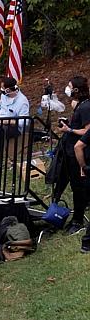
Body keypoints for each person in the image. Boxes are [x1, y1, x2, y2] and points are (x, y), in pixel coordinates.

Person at [51, 77, 90, 235]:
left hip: (79, 154)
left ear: (76, 89)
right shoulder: (80, 105)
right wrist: (69, 125)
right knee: (70, 185)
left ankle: (78, 220)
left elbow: (88, 131)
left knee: (79, 188)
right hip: (69, 153)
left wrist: (70, 130)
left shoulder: (86, 106)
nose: (67, 89)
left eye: (69, 86)